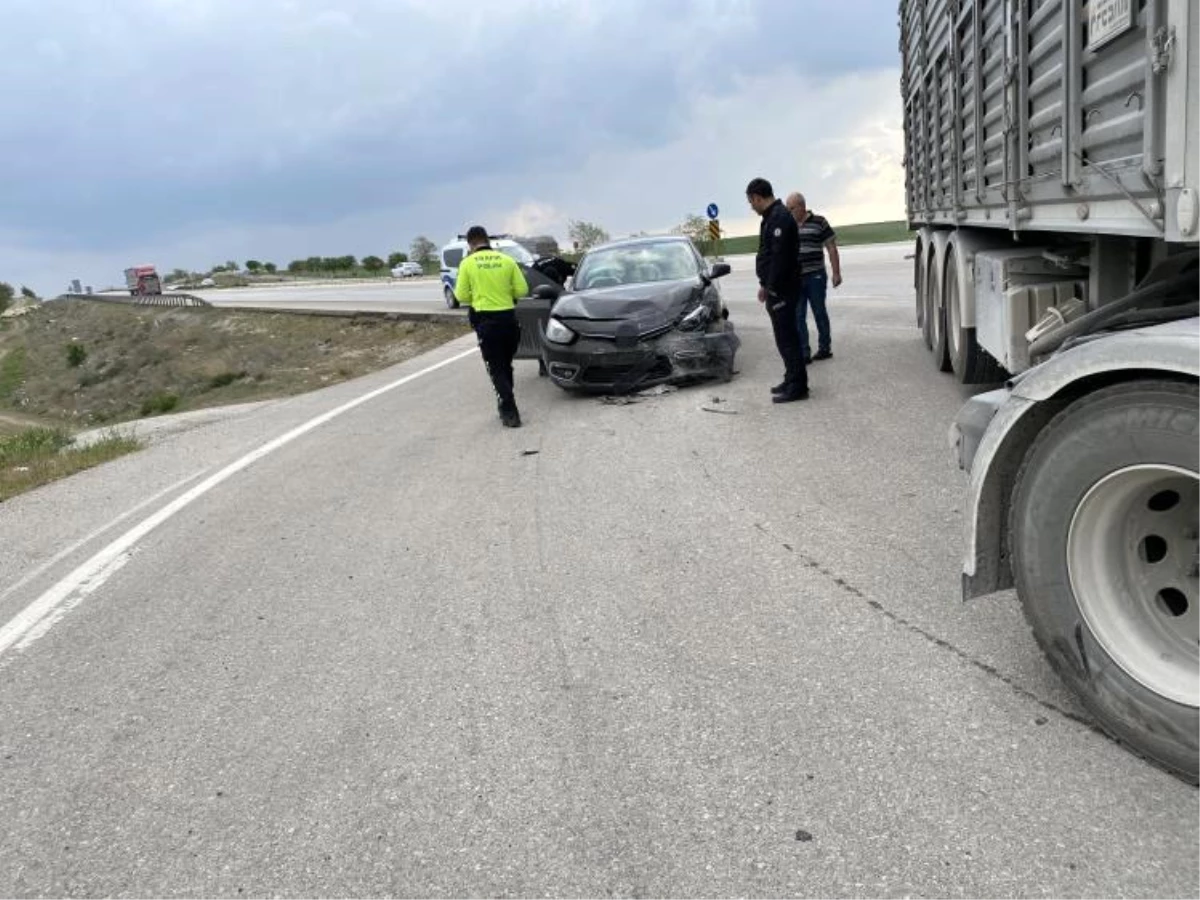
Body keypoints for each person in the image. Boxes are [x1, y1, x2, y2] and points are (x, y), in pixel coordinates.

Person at [454, 225, 529, 427]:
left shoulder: (467, 263)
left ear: (470, 244)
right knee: (505, 365)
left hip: (487, 322)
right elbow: (522, 290)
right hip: (509, 321)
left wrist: (479, 297)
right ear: (487, 240)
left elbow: (461, 296)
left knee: (495, 368)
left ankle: (509, 410)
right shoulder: (507, 260)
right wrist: (506, 295)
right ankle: (506, 400)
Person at [747, 178, 808, 402]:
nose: (751, 207)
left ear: (757, 197)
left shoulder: (780, 218)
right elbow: (767, 255)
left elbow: (780, 260)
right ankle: (791, 377)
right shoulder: (770, 218)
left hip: (783, 290)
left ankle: (798, 386)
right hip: (775, 289)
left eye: (750, 202)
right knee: (784, 338)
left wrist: (771, 288)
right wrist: (764, 285)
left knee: (788, 338)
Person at [785, 192, 842, 362]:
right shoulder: (789, 225)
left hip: (815, 276)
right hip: (796, 279)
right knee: (798, 316)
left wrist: (836, 273)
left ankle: (825, 348)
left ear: (802, 206)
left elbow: (831, 247)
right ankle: (804, 353)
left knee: (819, 312)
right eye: (788, 209)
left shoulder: (819, 222)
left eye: (792, 208)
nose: (789, 212)